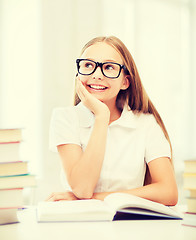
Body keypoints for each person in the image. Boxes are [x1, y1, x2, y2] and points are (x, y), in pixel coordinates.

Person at [47, 36, 178, 206]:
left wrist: (96, 198)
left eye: (108, 67)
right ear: (78, 73)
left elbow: (168, 192)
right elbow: (82, 188)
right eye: (88, 65)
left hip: (128, 223)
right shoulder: (65, 118)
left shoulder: (146, 124)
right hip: (79, 223)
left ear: (125, 82)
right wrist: (102, 116)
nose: (96, 75)